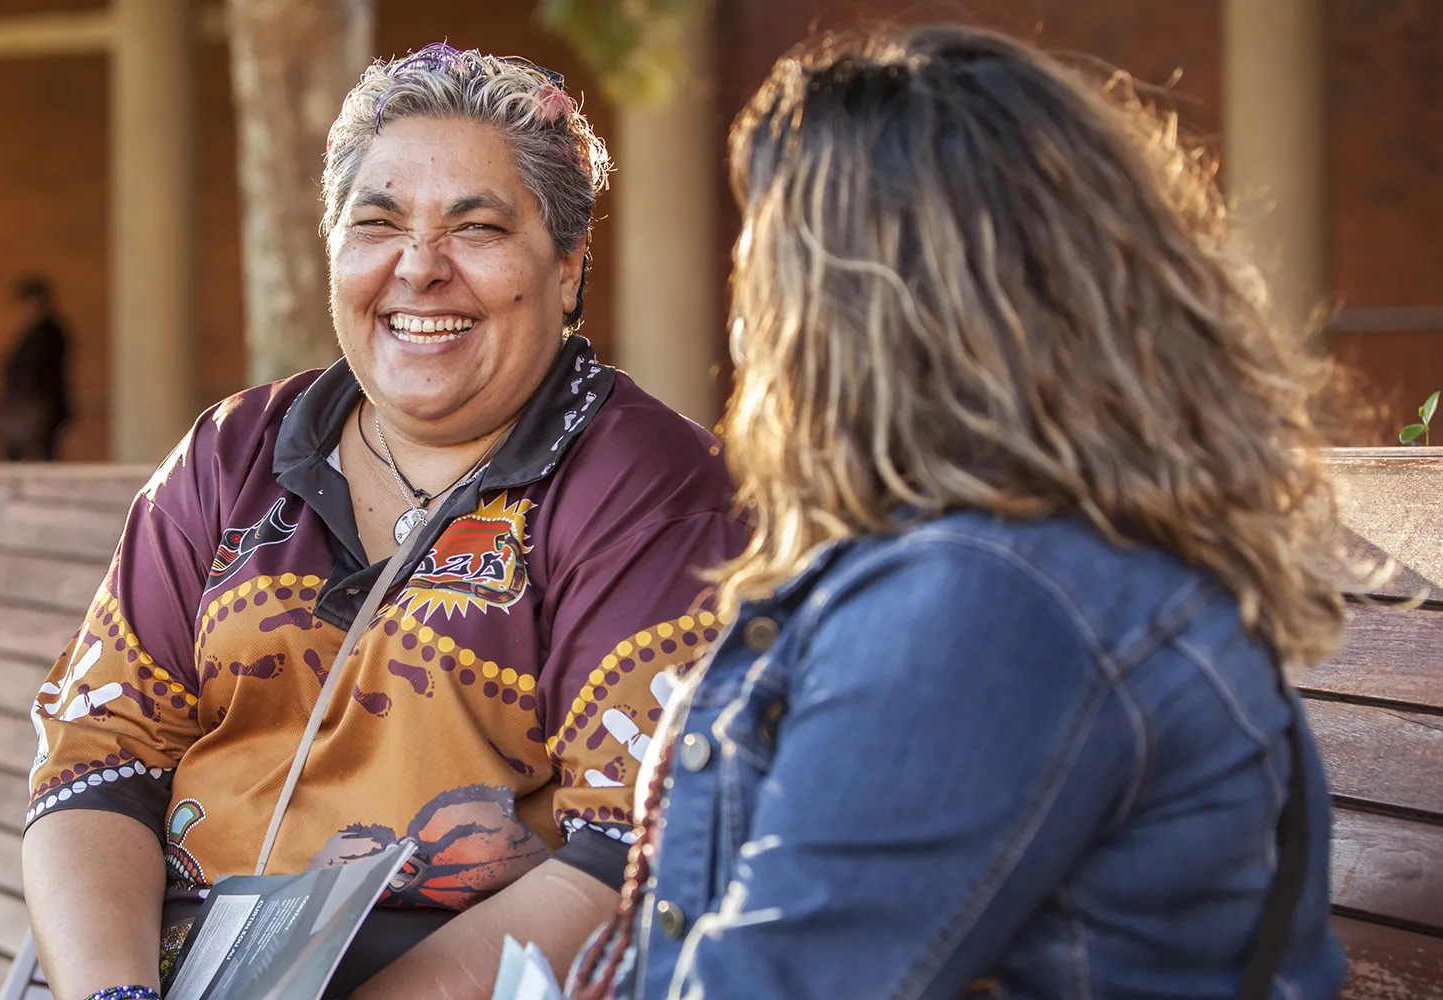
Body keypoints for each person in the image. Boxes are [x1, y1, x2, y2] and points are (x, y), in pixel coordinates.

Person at [570, 24, 1349, 1000]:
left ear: (852, 311)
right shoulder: (1011, 565)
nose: (742, 319)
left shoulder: (986, 603)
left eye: (760, 261)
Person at [22, 44, 743, 1000]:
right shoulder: (233, 455)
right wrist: (112, 994)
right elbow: (96, 758)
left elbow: (636, 851)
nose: (419, 268)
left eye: (476, 228)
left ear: (567, 268)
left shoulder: (645, 486)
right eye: (378, 223)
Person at [0, 274, 73, 461]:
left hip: (40, 407)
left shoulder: (49, 331)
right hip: (32, 406)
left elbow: (36, 370)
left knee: (43, 456)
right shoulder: (35, 332)